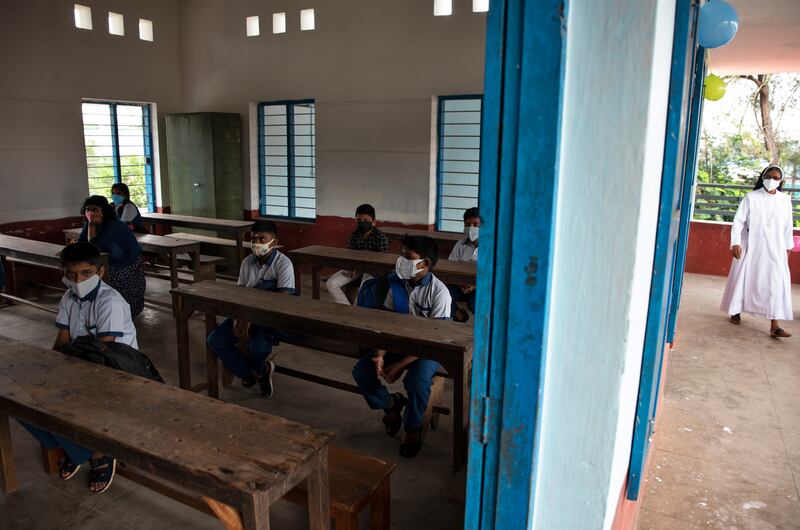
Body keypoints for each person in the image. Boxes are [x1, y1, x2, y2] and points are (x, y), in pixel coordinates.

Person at [21, 242, 136, 494]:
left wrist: (66, 379)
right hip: (81, 364)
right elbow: (63, 338)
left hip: (116, 370)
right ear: (62, 272)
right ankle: (77, 449)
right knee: (26, 400)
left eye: (86, 273)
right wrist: (49, 369)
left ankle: (98, 454)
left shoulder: (110, 302)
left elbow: (103, 352)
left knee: (70, 401)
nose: (78, 280)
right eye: (71, 275)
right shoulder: (68, 297)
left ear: (101, 272)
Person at [352, 235, 452, 458]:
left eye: (408, 257)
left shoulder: (439, 293)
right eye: (402, 255)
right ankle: (390, 405)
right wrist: (380, 354)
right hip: (396, 342)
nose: (401, 261)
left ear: (424, 264)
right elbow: (388, 325)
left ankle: (412, 428)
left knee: (417, 381)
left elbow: (436, 340)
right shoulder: (395, 285)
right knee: (362, 371)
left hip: (429, 349)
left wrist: (399, 365)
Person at [206, 220, 295, 397]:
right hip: (245, 313)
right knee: (215, 340)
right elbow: (240, 293)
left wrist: (250, 319)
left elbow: (282, 300)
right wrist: (238, 318)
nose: (257, 244)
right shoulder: (247, 262)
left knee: (258, 348)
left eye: (263, 239)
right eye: (254, 239)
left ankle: (258, 370)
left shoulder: (283, 264)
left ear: (274, 242)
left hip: (270, 317)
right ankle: (254, 372)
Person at [720, 165, 794, 338]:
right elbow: (738, 221)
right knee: (743, 280)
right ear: (762, 178)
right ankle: (736, 311)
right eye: (768, 177)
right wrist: (736, 243)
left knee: (774, 283)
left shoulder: (785, 200)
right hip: (751, 245)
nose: (771, 180)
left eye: (776, 178)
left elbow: (787, 227)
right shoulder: (751, 197)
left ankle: (774, 325)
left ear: (781, 181)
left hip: (774, 248)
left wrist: (786, 249)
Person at [78, 195, 146, 317]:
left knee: (94, 278)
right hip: (111, 265)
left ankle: (108, 313)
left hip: (126, 270)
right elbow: (81, 242)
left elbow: (93, 248)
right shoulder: (89, 225)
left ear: (104, 211)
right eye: (88, 209)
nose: (91, 213)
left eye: (95, 210)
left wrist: (92, 225)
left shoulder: (113, 226)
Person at [326, 203, 389, 305]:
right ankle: (348, 309)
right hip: (356, 268)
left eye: (366, 221)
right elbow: (350, 255)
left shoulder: (380, 237)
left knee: (364, 289)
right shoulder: (354, 236)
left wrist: (369, 268)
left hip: (373, 270)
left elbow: (383, 261)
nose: (362, 223)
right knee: (331, 283)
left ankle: (359, 311)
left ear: (373, 222)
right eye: (359, 221)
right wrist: (350, 266)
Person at [447, 207, 480, 322]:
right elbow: (451, 266)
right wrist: (459, 283)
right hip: (459, 285)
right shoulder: (460, 245)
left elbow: (494, 274)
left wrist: (474, 285)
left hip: (480, 287)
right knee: (442, 293)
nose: (471, 228)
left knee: (475, 305)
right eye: (468, 224)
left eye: (476, 224)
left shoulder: (491, 247)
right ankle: (457, 314)